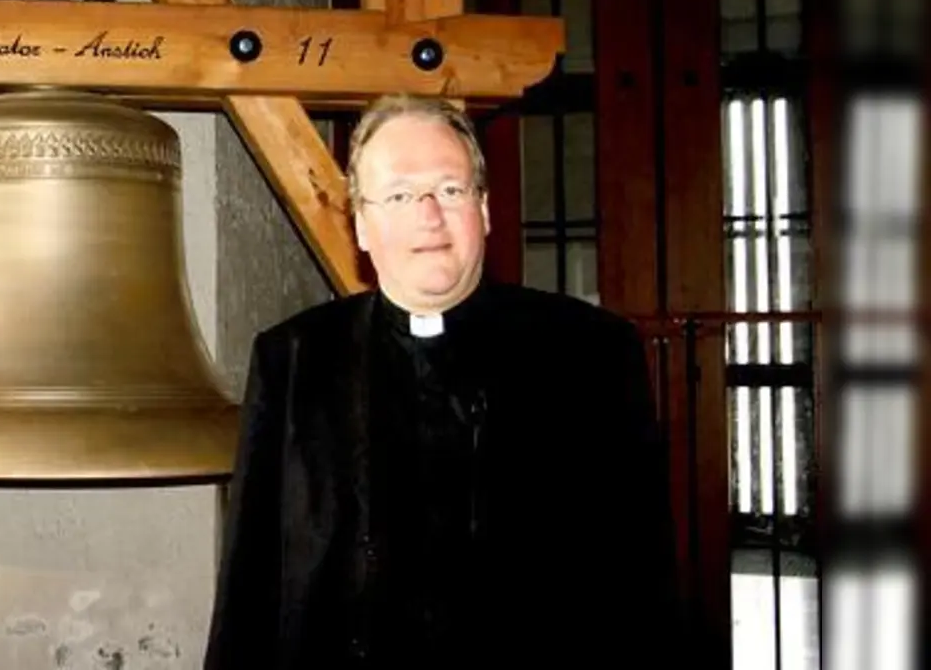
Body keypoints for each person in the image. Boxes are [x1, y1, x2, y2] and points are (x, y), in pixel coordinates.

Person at [204, 94, 682, 669]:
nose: (429, 215)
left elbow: (644, 587)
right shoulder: (293, 360)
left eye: (450, 190)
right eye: (400, 195)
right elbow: (250, 584)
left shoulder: (592, 353)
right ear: (362, 225)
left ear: (484, 209)